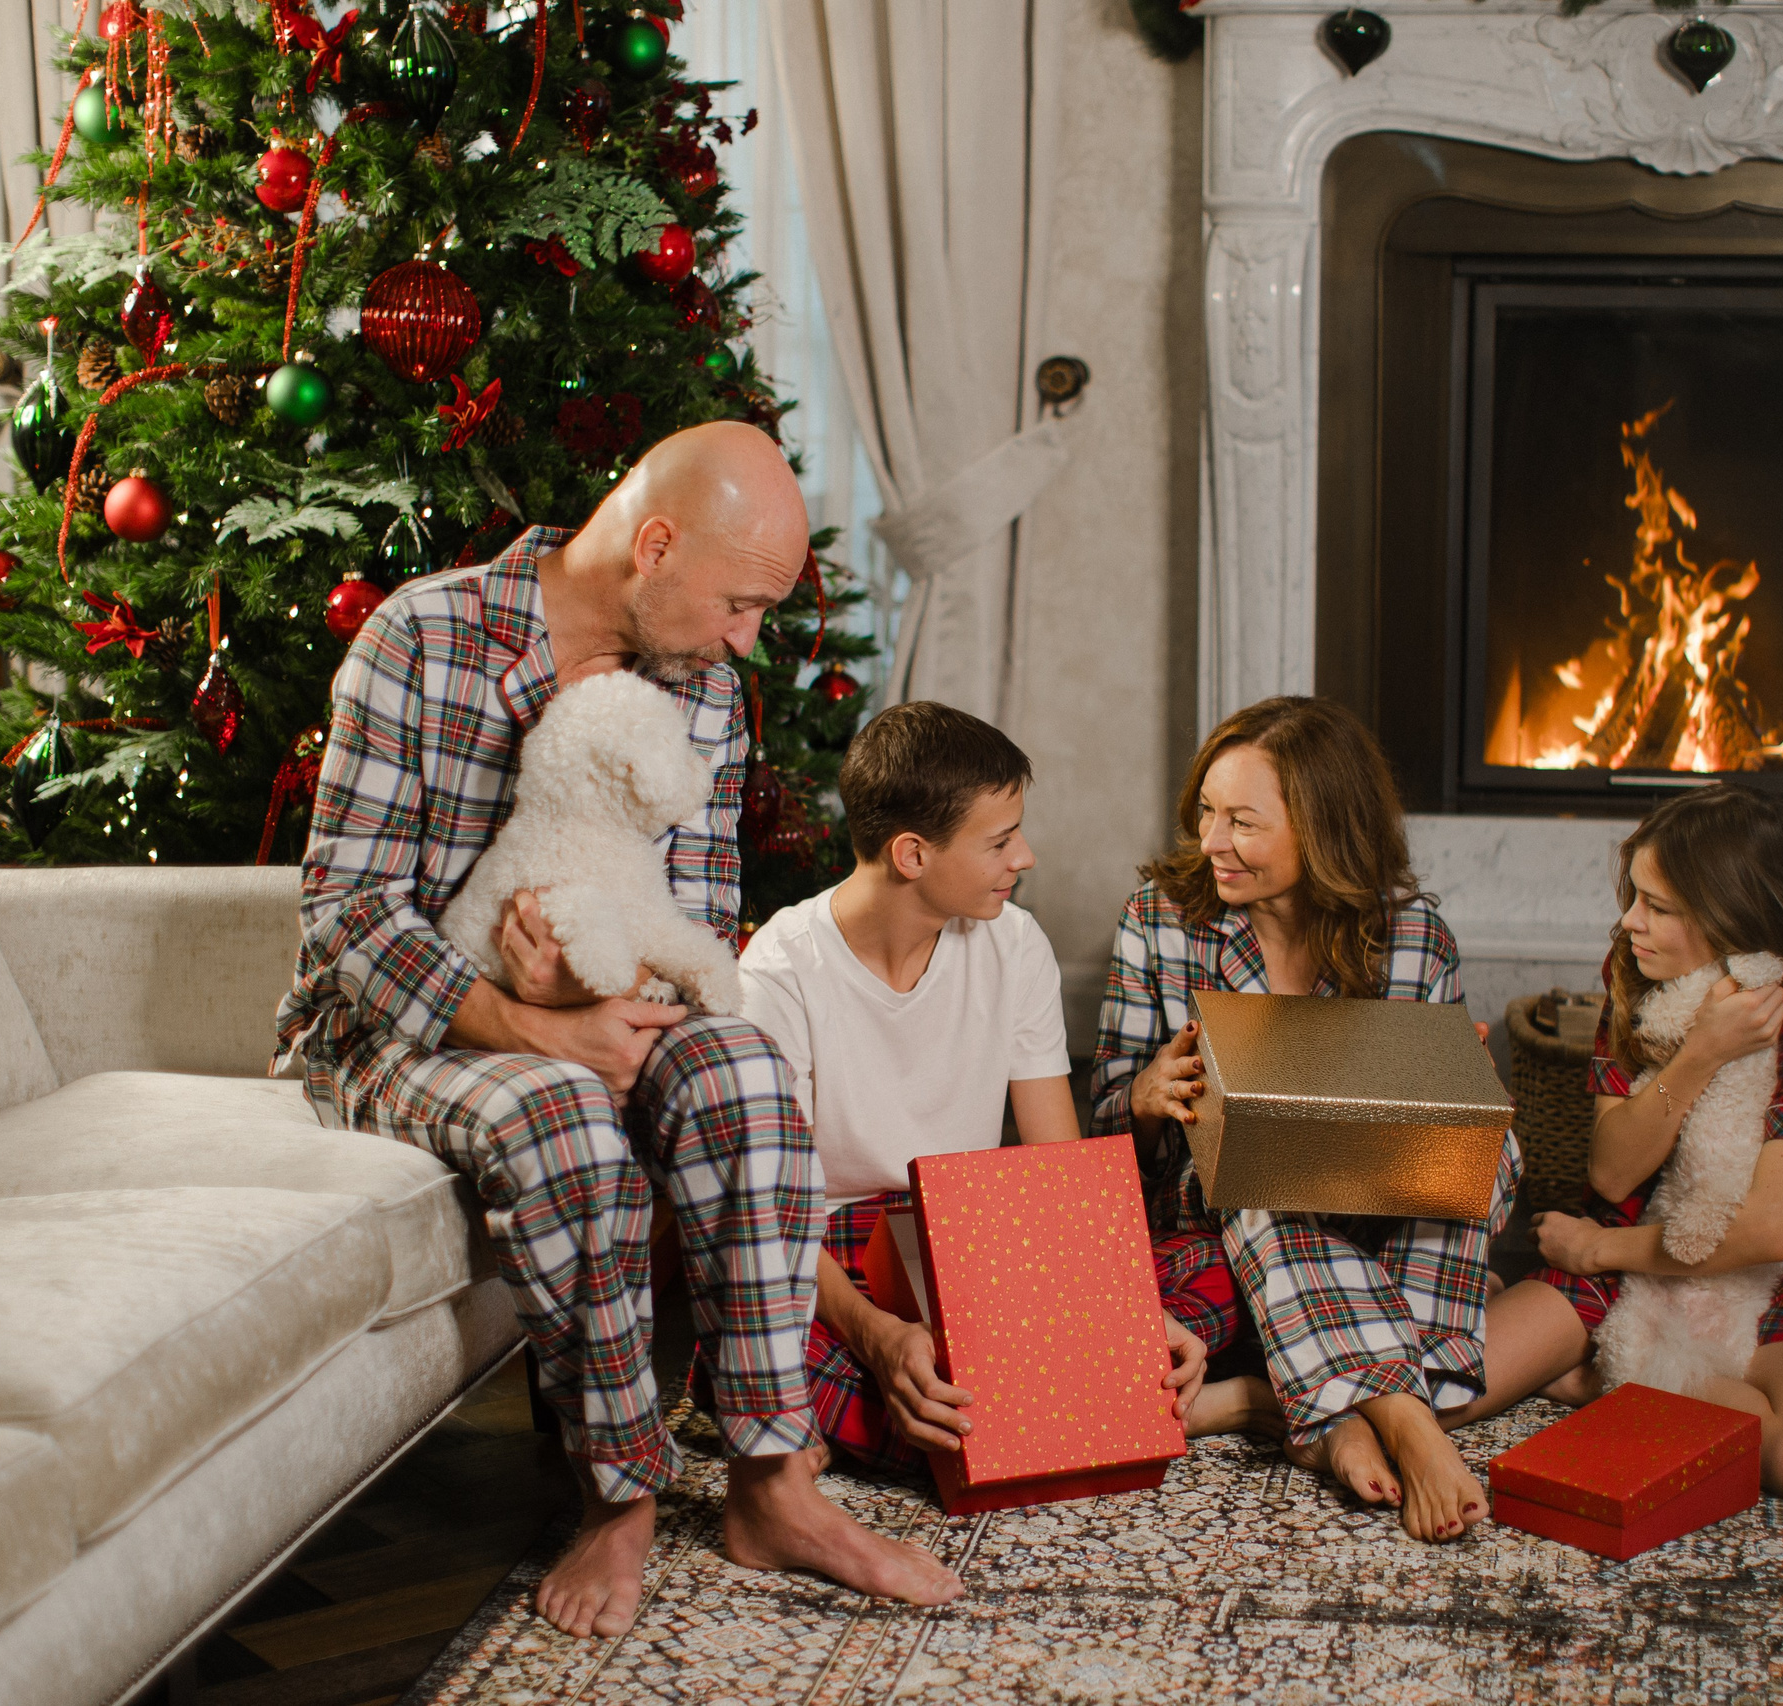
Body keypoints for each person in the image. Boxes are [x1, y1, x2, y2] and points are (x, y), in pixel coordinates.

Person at [277, 423, 962, 1641]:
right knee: (564, 1119)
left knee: (745, 1074)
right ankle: (618, 1492)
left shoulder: (698, 689)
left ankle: (773, 1482)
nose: (748, 639)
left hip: (603, 1001)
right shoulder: (422, 639)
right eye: (741, 603)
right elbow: (347, 914)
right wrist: (520, 1015)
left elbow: (688, 923)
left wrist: (601, 991)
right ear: (654, 545)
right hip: (400, 1022)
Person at [735, 701, 1235, 1471]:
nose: (1025, 857)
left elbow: (1058, 1178)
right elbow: (773, 1215)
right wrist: (879, 1337)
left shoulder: (1014, 943)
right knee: (753, 1323)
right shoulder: (779, 971)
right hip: (827, 1249)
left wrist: (1124, 1313)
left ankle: (974, 1409)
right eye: (1000, 842)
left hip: (976, 1238)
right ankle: (1014, 1408)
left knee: (1218, 1261)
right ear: (912, 855)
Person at [1091, 696, 1521, 1544]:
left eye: (1243, 821)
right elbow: (1100, 1133)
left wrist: (1452, 1097)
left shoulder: (1413, 937)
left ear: (1324, 830)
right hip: (1222, 1202)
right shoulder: (1160, 922)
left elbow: (1448, 1148)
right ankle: (1411, 1421)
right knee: (1260, 1161)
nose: (1211, 840)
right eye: (1208, 812)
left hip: (1384, 1200)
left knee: (1488, 1155)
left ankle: (1293, 1406)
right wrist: (1141, 1097)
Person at [1441, 783, 1783, 1500]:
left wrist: (1594, 1248)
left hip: (1776, 1289)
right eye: (1634, 896)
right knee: (1434, 1387)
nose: (1629, 920)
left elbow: (1772, 1230)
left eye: (1659, 906)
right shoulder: (1635, 964)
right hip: (1624, 1278)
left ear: (1736, 914)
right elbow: (1613, 1175)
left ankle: (1609, 1380)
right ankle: (1630, 1367)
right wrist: (1701, 1051)